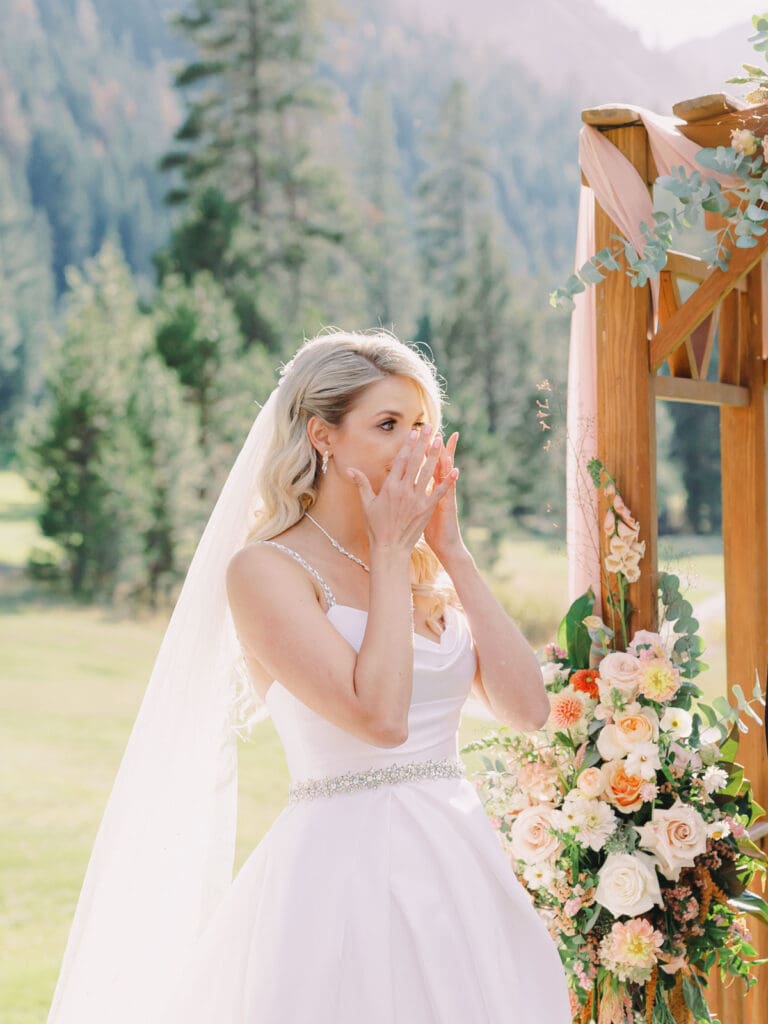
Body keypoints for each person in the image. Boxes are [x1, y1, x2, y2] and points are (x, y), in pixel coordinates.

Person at [47, 328, 573, 1024]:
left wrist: (451, 550)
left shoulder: (425, 567)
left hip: (459, 861)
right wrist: (391, 549)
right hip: (344, 877)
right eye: (387, 425)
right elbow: (381, 719)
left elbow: (529, 708)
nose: (414, 444)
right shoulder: (265, 571)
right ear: (322, 436)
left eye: (422, 426)